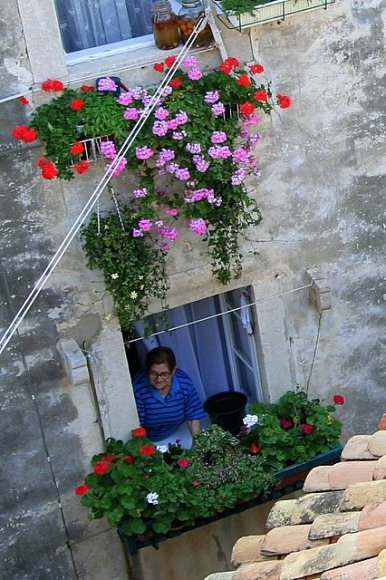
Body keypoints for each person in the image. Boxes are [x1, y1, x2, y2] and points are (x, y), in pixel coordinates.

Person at [132, 346, 205, 446]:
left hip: (177, 431)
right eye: (153, 373)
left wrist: (197, 445)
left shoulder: (184, 383)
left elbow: (193, 414)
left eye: (164, 374)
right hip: (148, 437)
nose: (159, 379)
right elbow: (136, 424)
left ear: (174, 370)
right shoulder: (139, 388)